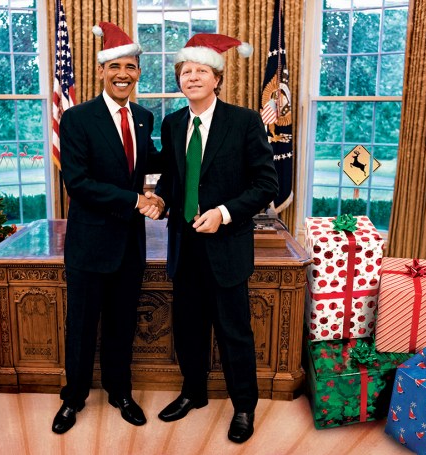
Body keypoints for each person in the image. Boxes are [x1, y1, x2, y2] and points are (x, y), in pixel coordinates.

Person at [154, 33, 279, 443]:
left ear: (217, 79)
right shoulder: (173, 124)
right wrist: (160, 199)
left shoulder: (244, 122)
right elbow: (173, 178)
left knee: (233, 332)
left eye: (201, 71)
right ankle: (194, 392)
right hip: (184, 245)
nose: (192, 77)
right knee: (188, 328)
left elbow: (266, 184)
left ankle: (244, 406)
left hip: (226, 246)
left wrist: (223, 213)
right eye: (185, 71)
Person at [52, 22, 163, 434]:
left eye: (130, 67)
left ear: (138, 73)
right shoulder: (77, 118)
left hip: (129, 244)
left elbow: (150, 162)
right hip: (89, 243)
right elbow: (78, 183)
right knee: (81, 326)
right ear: (101, 71)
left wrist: (191, 153)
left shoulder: (145, 117)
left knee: (122, 323)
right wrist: (137, 200)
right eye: (115, 66)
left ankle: (121, 392)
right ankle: (73, 398)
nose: (122, 74)